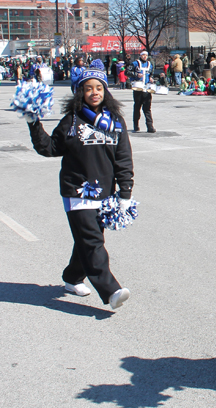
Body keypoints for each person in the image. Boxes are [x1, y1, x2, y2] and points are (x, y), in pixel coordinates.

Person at [25, 59, 133, 310]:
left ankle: (72, 278)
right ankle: (111, 290)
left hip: (105, 193)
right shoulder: (71, 121)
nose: (94, 93)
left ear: (105, 91)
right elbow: (50, 148)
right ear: (80, 92)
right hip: (77, 191)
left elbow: (123, 158)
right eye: (88, 88)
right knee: (92, 241)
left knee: (87, 240)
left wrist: (125, 192)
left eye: (99, 88)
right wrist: (34, 123)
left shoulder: (115, 121)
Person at [128, 50, 156, 133]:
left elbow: (151, 73)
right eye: (143, 55)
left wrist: (151, 78)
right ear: (140, 55)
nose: (145, 56)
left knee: (147, 109)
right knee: (137, 107)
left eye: (146, 55)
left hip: (146, 89)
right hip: (138, 89)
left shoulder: (150, 64)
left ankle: (150, 126)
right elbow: (127, 72)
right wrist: (136, 75)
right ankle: (136, 125)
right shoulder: (135, 63)